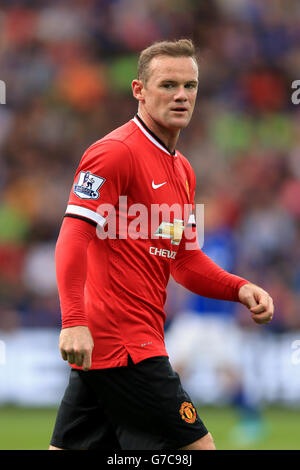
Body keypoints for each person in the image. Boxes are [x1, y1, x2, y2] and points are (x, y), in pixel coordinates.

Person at [49, 39, 274, 451]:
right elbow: (72, 236)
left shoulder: (182, 170)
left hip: (117, 349)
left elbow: (184, 260)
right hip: (126, 344)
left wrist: (239, 288)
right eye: (168, 84)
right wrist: (73, 320)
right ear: (139, 90)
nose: (181, 96)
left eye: (190, 86)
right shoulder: (114, 153)